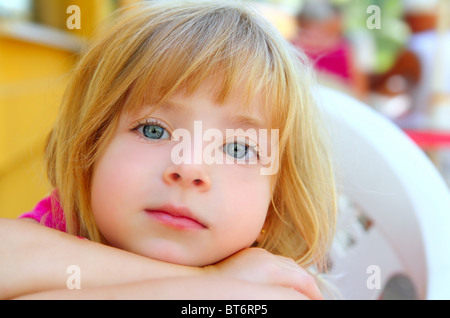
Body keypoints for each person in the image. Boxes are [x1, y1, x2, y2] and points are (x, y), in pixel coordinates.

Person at [0, 0, 336, 299]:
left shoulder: (277, 290)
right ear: (90, 152)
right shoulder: (55, 230)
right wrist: (210, 283)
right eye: (153, 130)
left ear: (275, 207)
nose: (189, 167)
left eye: (237, 149)